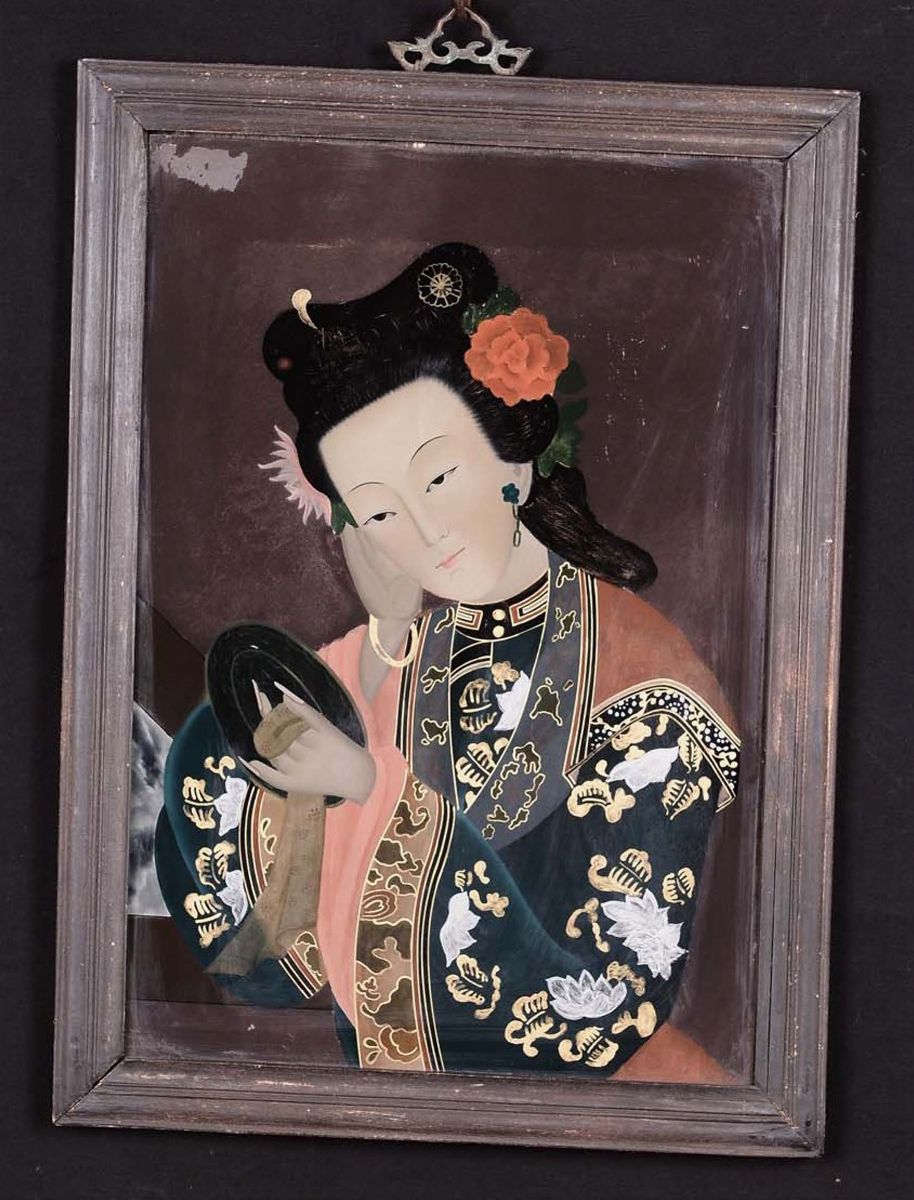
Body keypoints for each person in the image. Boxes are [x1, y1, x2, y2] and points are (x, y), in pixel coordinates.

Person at [155, 243, 740, 1078]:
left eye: (435, 479)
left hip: (598, 1106)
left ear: (514, 459)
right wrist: (386, 639)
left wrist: (368, 789)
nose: (422, 533)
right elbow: (271, 964)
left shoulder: (645, 675)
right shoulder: (399, 649)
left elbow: (603, 1015)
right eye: (377, 512)